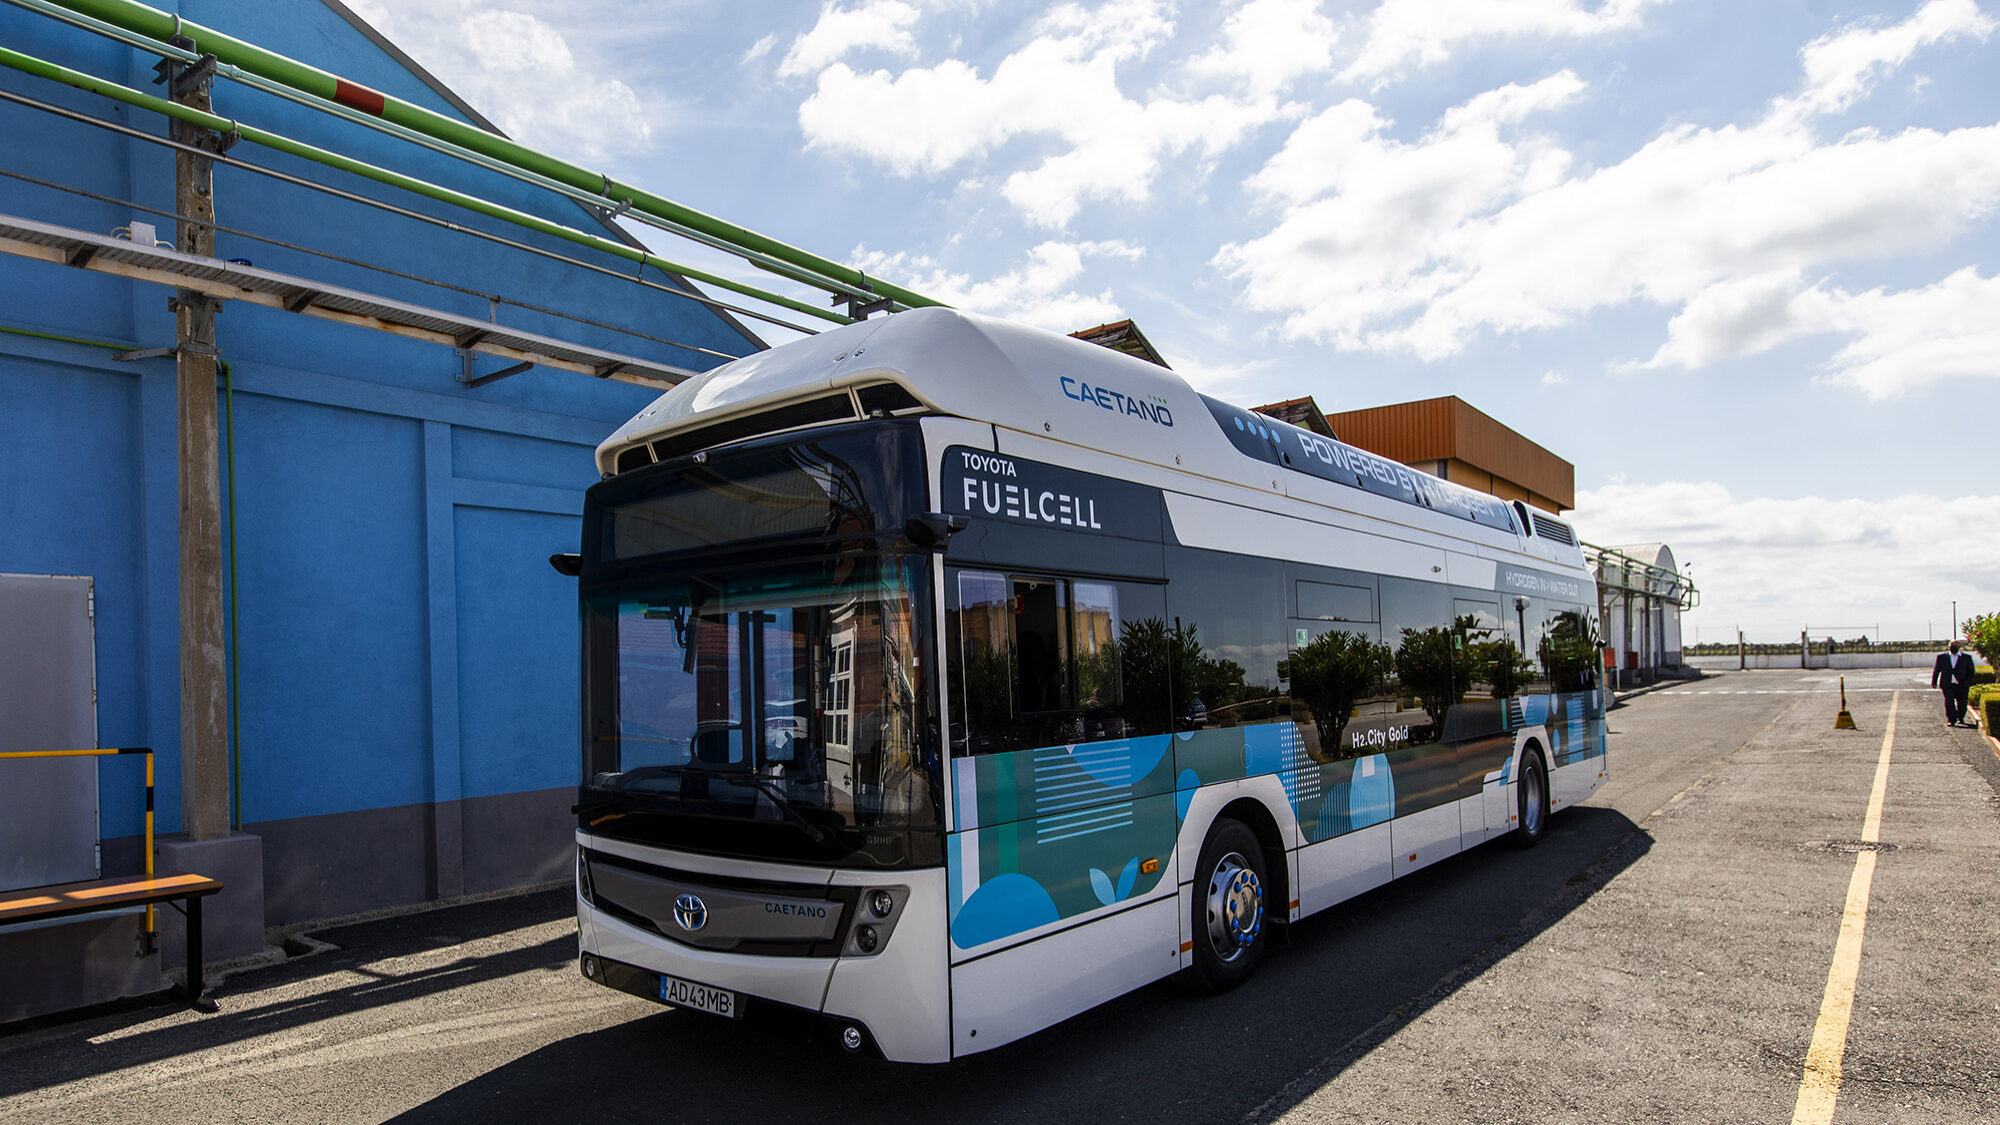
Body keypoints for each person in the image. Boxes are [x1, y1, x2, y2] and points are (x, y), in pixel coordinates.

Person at [1932, 640, 1976, 727]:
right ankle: (1951, 719)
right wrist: (1934, 682)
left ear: (1959, 647)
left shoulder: (1966, 657)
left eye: (1955, 646)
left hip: (1962, 685)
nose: (1953, 648)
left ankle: (1960, 717)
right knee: (1949, 702)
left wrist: (1967, 682)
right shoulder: (1942, 657)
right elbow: (1937, 670)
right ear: (1948, 647)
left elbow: (1971, 672)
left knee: (1962, 702)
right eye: (1951, 646)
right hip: (1947, 684)